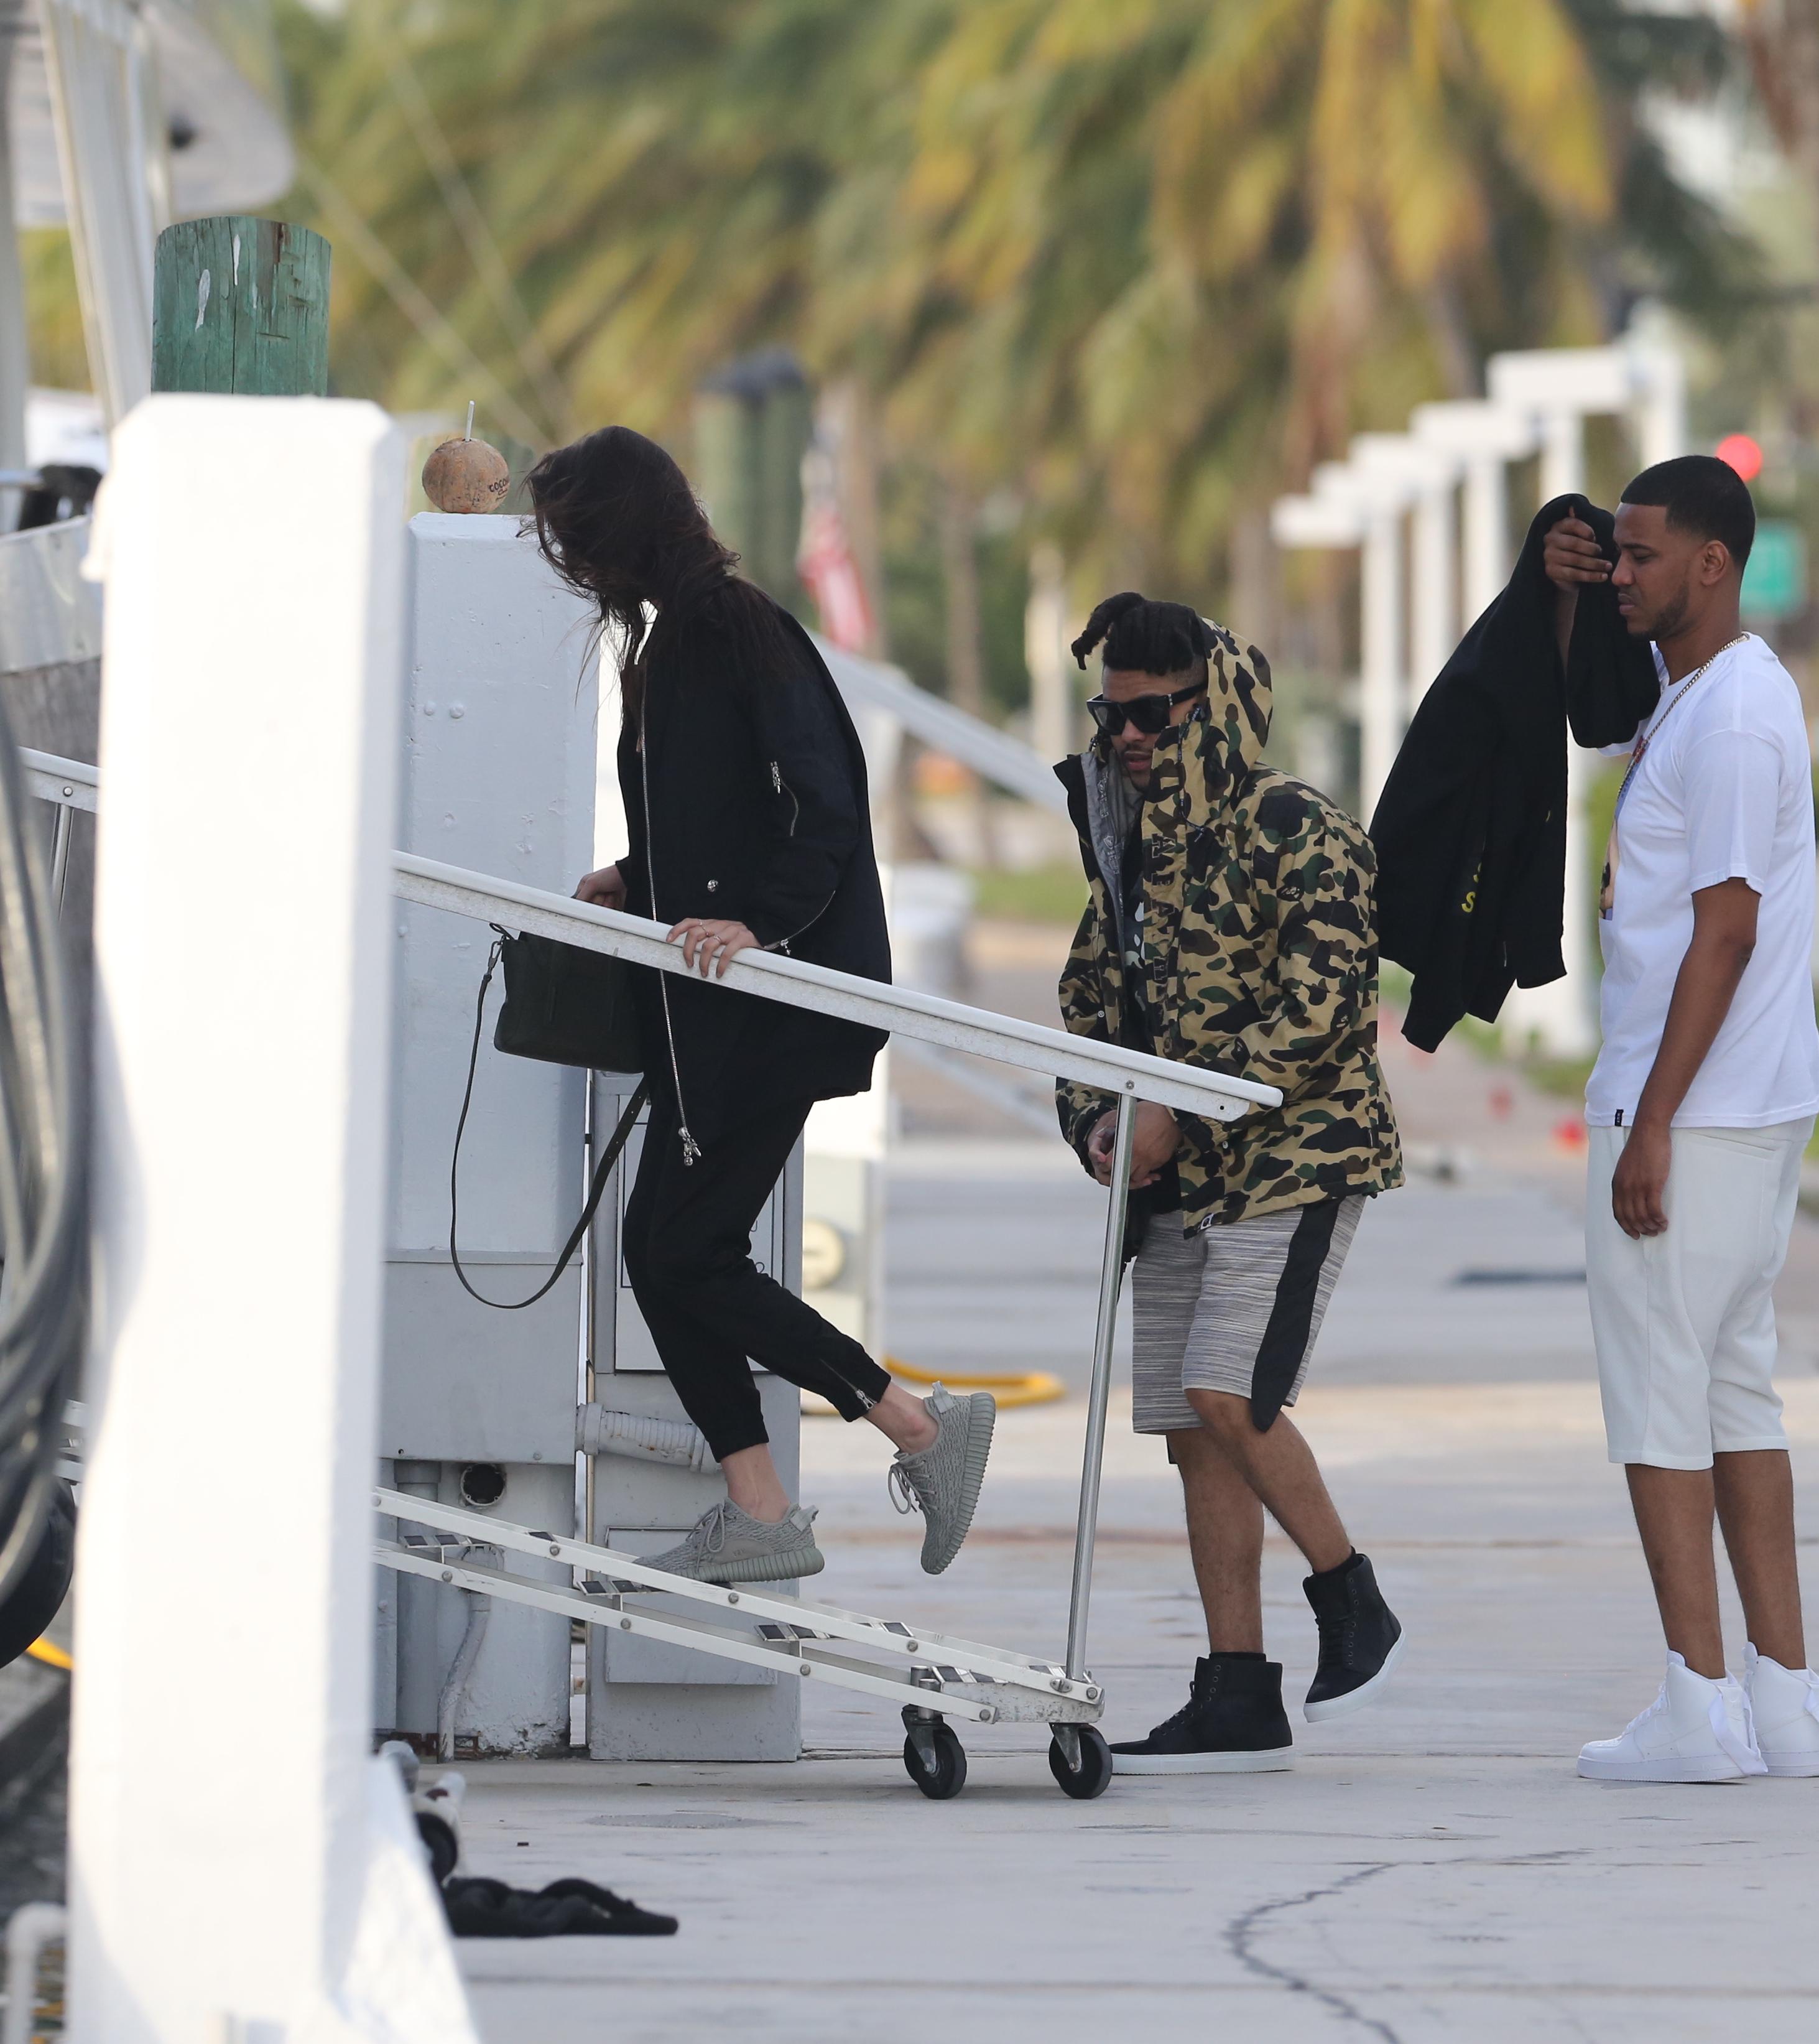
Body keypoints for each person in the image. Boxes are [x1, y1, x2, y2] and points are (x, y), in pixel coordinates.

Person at [528, 426, 994, 1587]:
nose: (572, 563)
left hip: (771, 1006)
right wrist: (641, 878)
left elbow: (823, 803)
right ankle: (770, 1498)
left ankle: (910, 1430)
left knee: (679, 1246)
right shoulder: (674, 640)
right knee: (670, 1247)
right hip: (723, 1006)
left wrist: (762, 922)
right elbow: (715, 812)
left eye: (579, 537)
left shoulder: (732, 629)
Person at [1053, 593, 1405, 1773]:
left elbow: (1320, 1012)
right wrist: (1100, 1123)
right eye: (1112, 716)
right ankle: (1236, 1684)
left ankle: (1351, 1595)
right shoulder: (1126, 844)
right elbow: (1088, 1004)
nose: (1129, 737)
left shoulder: (1301, 830)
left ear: (1212, 704)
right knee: (1190, 1431)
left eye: (1152, 712)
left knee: (1226, 1392)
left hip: (1295, 1156)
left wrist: (1171, 1111)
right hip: (1174, 1176)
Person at [1544, 455, 1819, 1783]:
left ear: (1709, 563)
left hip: (1690, 1118)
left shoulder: (1728, 723)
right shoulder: (1721, 696)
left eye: (1640, 556)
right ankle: (1779, 1701)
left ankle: (1694, 1705)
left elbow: (1722, 928)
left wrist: (1648, 1122)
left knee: (1658, 1406)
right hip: (1748, 1114)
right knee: (1730, 1395)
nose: (1621, 577)